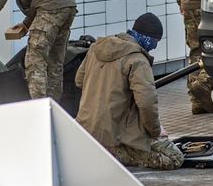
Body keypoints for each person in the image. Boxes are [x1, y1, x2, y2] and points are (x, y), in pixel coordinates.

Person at [75, 12, 184, 170]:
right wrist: (155, 131)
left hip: (87, 130)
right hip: (116, 136)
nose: (155, 47)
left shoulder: (95, 49)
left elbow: (79, 80)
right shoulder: (137, 60)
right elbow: (147, 103)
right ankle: (115, 155)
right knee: (174, 158)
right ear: (148, 38)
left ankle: (102, 150)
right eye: (156, 41)